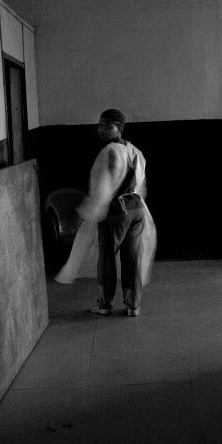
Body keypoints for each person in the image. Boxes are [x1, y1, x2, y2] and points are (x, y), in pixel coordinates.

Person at [74, 109, 155, 317]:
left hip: (116, 212)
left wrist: (88, 212)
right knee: (132, 258)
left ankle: (104, 304)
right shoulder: (135, 150)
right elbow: (140, 185)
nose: (100, 129)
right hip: (137, 209)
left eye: (106, 126)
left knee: (107, 258)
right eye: (99, 125)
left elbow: (103, 189)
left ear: (118, 128)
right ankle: (132, 305)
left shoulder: (109, 151)